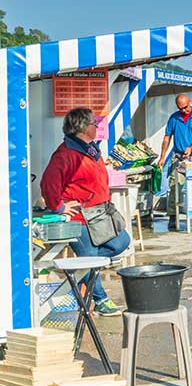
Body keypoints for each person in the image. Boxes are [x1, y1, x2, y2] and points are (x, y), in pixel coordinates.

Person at [40, 107, 130, 316]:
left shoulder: (89, 149)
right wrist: (60, 207)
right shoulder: (65, 154)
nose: (96, 127)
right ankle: (100, 299)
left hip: (101, 214)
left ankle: (77, 273)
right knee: (88, 255)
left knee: (121, 242)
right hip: (79, 219)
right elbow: (48, 183)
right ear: (82, 127)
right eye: (93, 123)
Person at [157, 93, 192, 168]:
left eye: (185, 107)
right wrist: (162, 157)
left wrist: (191, 148)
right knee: (175, 179)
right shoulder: (174, 118)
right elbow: (167, 138)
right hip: (178, 157)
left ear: (189, 102)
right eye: (180, 109)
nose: (183, 110)